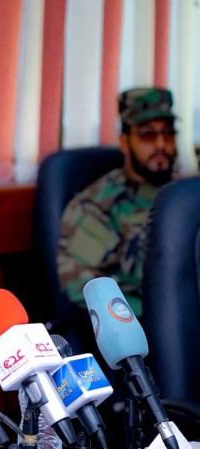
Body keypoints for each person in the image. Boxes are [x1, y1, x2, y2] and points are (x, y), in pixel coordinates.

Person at [57, 87, 178, 316]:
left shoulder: (184, 196)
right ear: (124, 142)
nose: (161, 144)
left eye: (168, 133)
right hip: (142, 322)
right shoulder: (99, 206)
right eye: (148, 135)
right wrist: (155, 313)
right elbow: (81, 284)